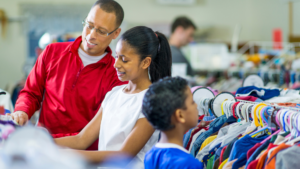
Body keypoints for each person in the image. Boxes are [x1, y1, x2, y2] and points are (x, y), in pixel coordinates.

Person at [11, 0, 126, 150]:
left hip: (83, 156)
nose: (91, 35)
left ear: (116, 33)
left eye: (101, 31)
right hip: (41, 150)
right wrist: (22, 110)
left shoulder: (117, 75)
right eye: (89, 25)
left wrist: (48, 141)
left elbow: (102, 129)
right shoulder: (52, 52)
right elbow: (31, 93)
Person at [54, 26, 172, 168]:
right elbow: (82, 139)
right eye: (116, 56)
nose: (116, 64)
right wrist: (46, 143)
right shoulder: (114, 94)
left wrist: (65, 154)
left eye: (124, 60)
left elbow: (123, 155)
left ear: (145, 62)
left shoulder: (153, 101)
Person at [142, 76, 204, 169]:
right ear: (180, 115)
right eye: (192, 102)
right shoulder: (188, 164)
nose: (196, 105)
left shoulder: (151, 155)